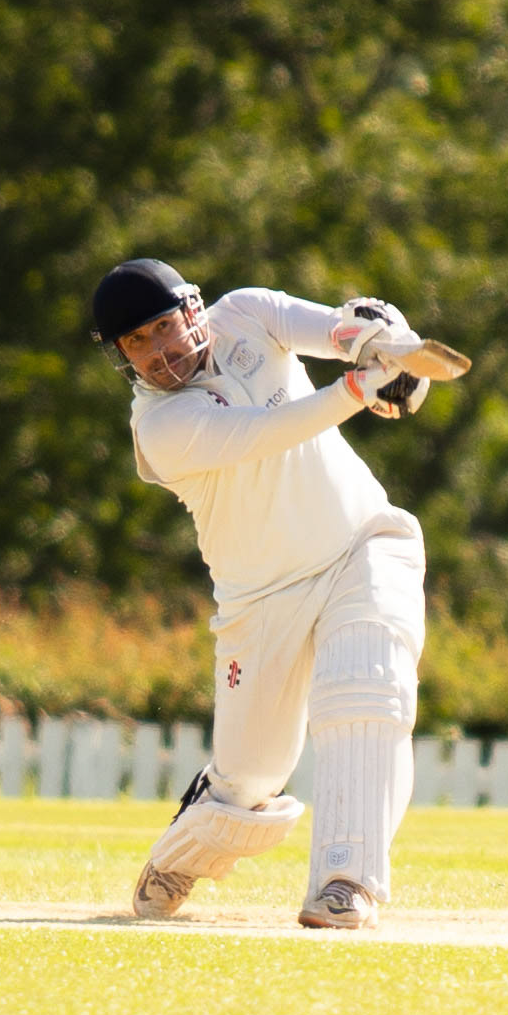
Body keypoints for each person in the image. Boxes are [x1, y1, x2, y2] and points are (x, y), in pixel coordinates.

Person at [91, 258, 432, 930]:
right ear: (121, 356)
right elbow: (266, 435)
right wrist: (361, 389)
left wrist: (384, 340)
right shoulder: (160, 429)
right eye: (138, 342)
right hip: (261, 599)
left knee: (364, 692)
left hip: (362, 541)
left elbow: (335, 330)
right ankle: (181, 853)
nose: (160, 350)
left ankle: (344, 880)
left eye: (164, 326)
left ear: (192, 309)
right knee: (250, 778)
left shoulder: (246, 313)